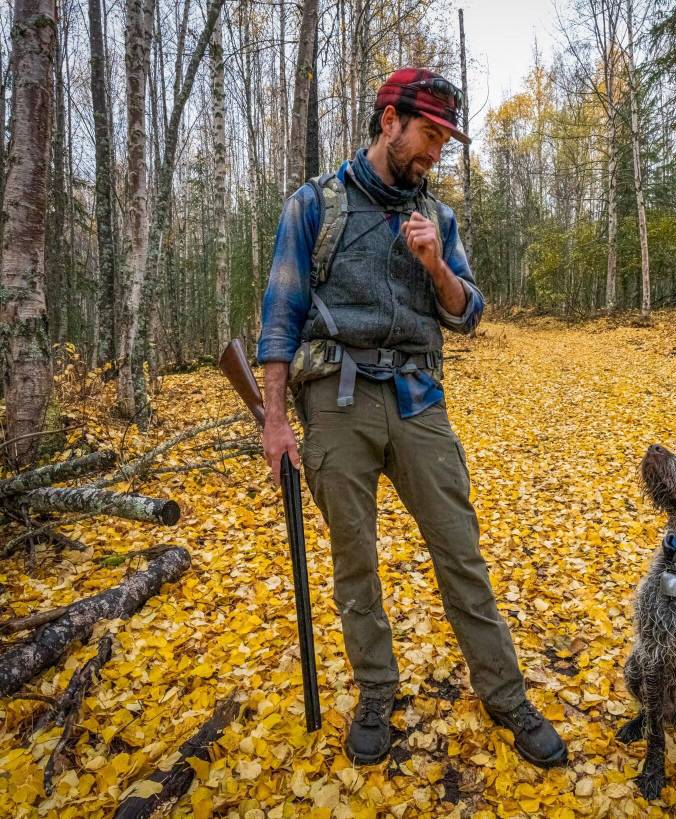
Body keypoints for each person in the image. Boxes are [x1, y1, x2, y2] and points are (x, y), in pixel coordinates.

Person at [256, 68, 567, 769]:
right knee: (354, 561)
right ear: (389, 120)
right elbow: (279, 319)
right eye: (429, 135)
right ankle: (375, 692)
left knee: (461, 551)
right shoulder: (314, 204)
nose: (435, 153)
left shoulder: (439, 218)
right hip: (335, 399)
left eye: (444, 141)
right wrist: (275, 421)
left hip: (419, 397)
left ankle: (506, 694)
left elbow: (469, 314)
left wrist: (435, 266)